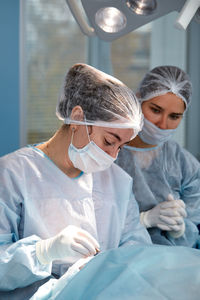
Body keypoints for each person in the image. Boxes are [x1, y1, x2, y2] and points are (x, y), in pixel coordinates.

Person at [0, 63, 151, 299]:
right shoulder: (13, 174)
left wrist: (107, 271)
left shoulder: (117, 182)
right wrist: (43, 252)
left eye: (121, 147)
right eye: (109, 141)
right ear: (77, 117)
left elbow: (137, 252)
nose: (113, 156)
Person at [116, 65, 200, 247]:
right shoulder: (108, 152)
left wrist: (181, 230)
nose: (163, 124)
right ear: (138, 101)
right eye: (155, 110)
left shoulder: (186, 166)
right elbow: (91, 222)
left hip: (171, 266)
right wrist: (142, 220)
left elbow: (195, 235)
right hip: (119, 263)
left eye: (174, 116)